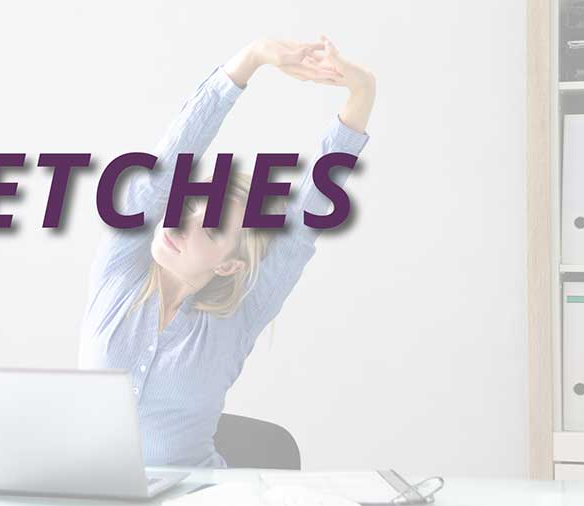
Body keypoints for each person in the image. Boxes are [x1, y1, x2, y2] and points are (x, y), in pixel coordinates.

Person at [78, 36, 375, 467]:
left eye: (212, 228)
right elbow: (169, 161)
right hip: (87, 491)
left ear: (230, 265)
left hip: (200, 494)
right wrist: (250, 59)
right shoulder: (119, 272)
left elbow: (303, 224)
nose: (182, 222)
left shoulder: (238, 317)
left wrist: (362, 92)